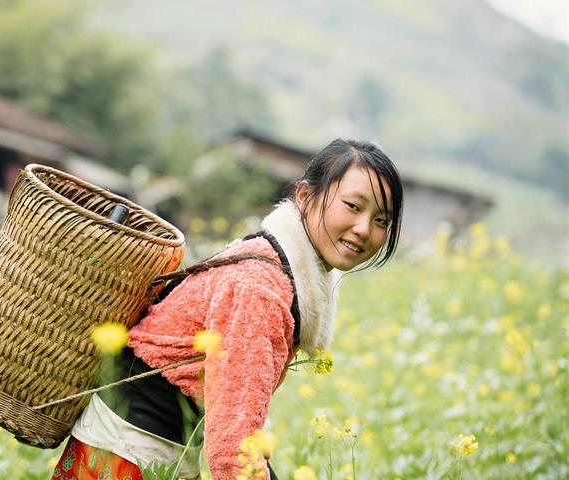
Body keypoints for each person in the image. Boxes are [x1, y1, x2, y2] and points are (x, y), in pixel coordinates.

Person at [50, 138, 404, 480]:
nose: (363, 229)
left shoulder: (279, 269)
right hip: (127, 452)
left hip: (148, 450)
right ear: (305, 197)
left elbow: (241, 425)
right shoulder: (260, 288)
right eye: (354, 206)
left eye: (381, 220)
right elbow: (234, 448)